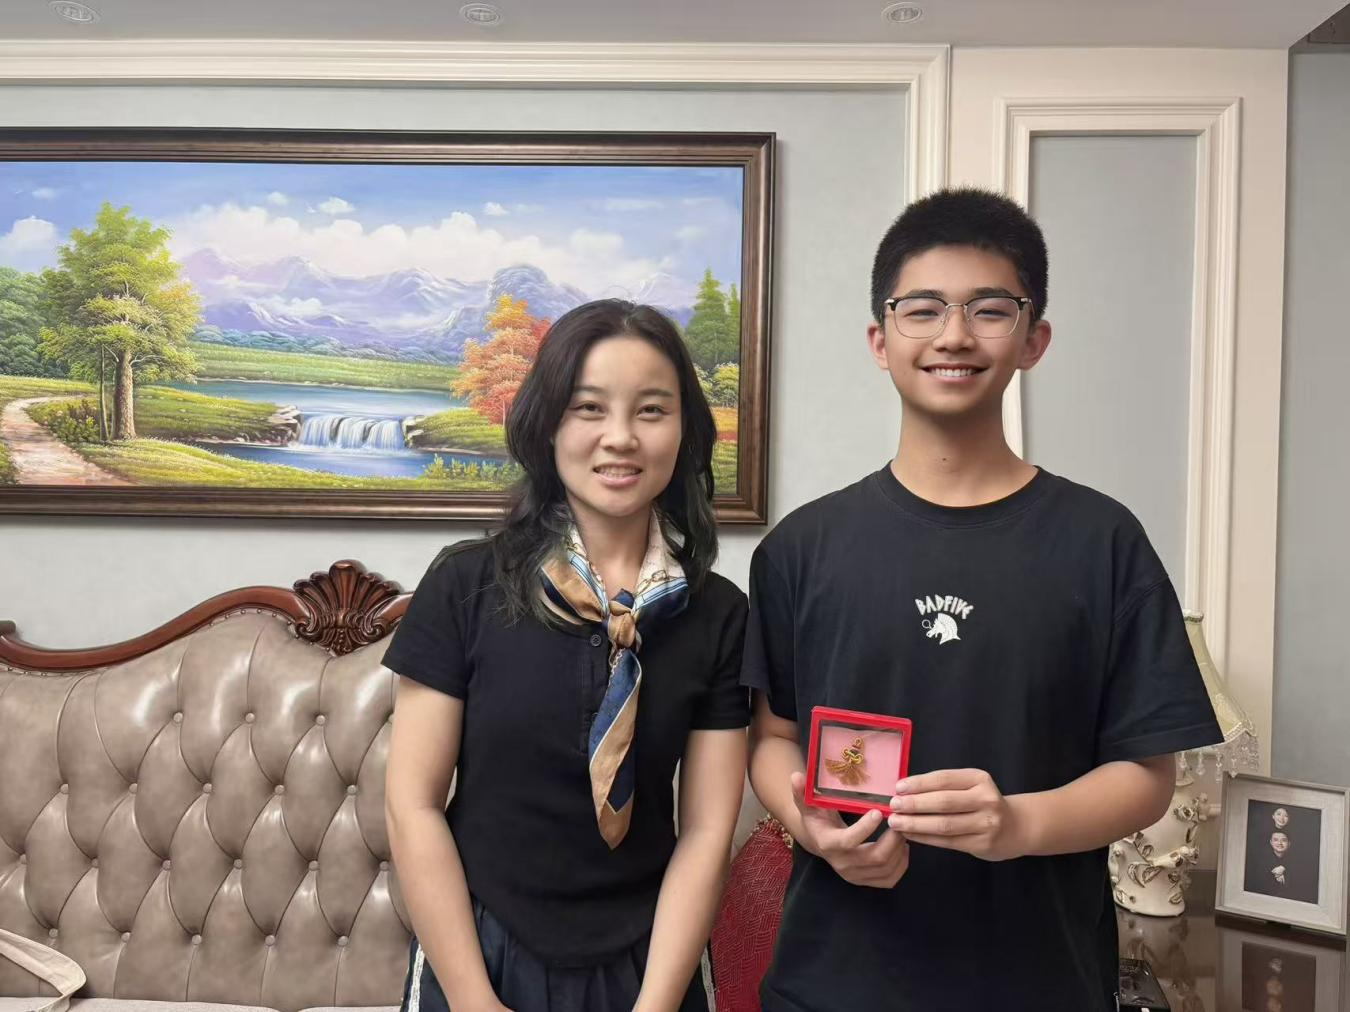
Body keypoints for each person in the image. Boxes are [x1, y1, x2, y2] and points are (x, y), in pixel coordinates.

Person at [741, 188, 1222, 1010]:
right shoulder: (801, 547)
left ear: (1035, 340)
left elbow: (1146, 775)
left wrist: (1017, 824)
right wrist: (813, 827)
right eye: (923, 309)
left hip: (1042, 982)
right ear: (880, 340)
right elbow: (774, 739)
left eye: (990, 309)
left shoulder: (1103, 541)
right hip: (832, 982)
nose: (954, 335)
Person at [384, 299, 749, 1012]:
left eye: (651, 410)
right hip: (481, 950)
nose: (621, 438)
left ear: (685, 430)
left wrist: (656, 1004)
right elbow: (412, 805)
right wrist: (475, 1001)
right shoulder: (465, 586)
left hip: (653, 959)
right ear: (548, 422)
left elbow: (708, 832)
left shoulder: (718, 613)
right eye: (589, 408)